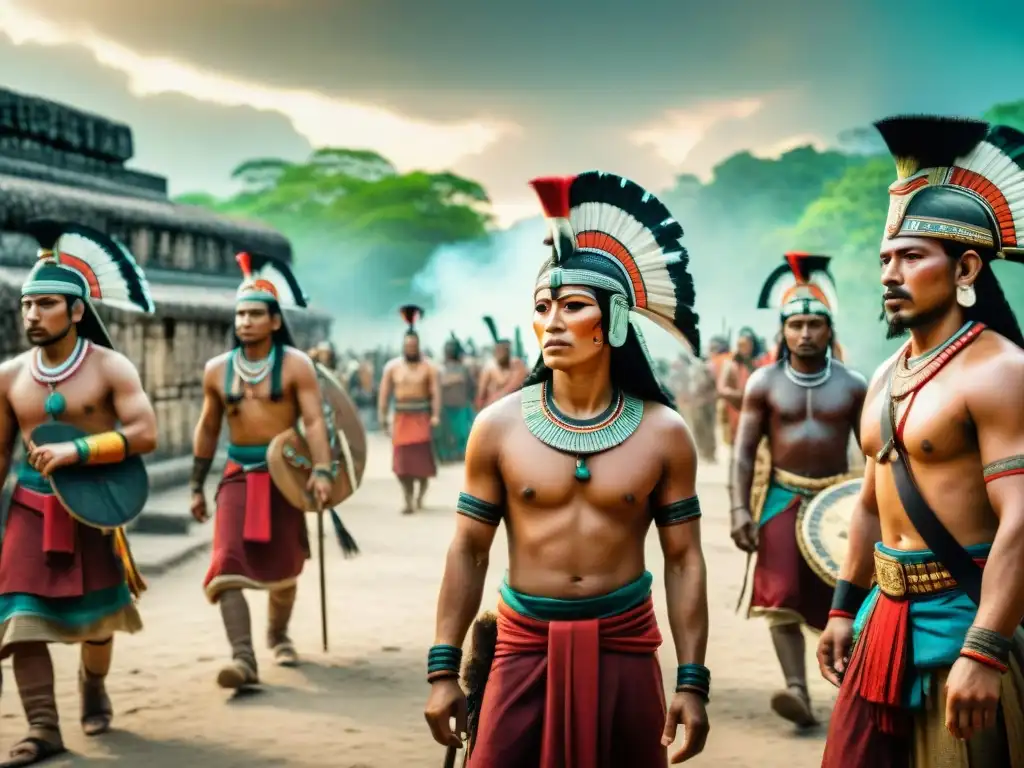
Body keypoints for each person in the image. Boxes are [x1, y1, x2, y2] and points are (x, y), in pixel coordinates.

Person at [424, 171, 711, 767]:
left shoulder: (664, 433)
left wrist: (691, 681)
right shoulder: (497, 427)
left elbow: (684, 557)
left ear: (613, 321)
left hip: (625, 645)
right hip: (522, 646)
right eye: (542, 307)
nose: (552, 320)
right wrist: (442, 668)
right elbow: (469, 548)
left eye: (573, 306)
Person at [817, 115, 1024, 766]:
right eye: (885, 258)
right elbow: (872, 504)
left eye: (911, 257)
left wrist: (984, 649)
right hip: (882, 624)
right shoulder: (885, 375)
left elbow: (1022, 518)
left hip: (963, 629)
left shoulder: (1001, 372)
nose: (890, 273)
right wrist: (841, 609)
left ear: (965, 266)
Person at [0, 222, 157, 765]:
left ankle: (93, 684)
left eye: (45, 304)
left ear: (76, 310)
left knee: (96, 622)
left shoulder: (111, 367)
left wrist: (80, 451)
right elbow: (0, 454)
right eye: (26, 306)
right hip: (28, 506)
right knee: (19, 620)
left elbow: (146, 433)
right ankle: (43, 726)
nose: (31, 316)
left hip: (92, 507)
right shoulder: (9, 375)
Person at [731, 252, 867, 727]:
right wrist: (738, 511)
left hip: (838, 502)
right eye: (796, 325)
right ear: (782, 331)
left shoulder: (853, 385)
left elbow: (873, 453)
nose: (805, 333)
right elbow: (744, 452)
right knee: (781, 593)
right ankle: (796, 690)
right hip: (781, 498)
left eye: (814, 324)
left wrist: (882, 511)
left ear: (830, 330)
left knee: (846, 597)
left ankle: (853, 692)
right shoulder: (763, 383)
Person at [190, 251, 334, 689]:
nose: (246, 321)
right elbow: (209, 427)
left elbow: (313, 420)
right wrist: (197, 485)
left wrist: (323, 470)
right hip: (236, 475)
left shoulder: (296, 365)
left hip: (285, 476)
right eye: (241, 314)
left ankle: (278, 634)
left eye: (255, 313)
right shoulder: (217, 371)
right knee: (226, 564)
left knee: (285, 565)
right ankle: (243, 657)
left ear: (274, 320)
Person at [378, 306, 440, 514]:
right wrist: (382, 417)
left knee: (422, 466)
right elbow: (384, 394)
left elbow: (435, 393)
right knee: (402, 465)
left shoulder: (429, 367)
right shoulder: (392, 367)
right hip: (401, 419)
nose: (411, 349)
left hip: (421, 418)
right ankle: (407, 497)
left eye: (414, 345)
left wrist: (436, 415)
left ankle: (419, 495)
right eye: (408, 346)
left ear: (419, 346)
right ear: (403, 346)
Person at [435, 333, 475, 463]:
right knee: (445, 433)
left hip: (461, 406)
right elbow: (437, 384)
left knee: (461, 433)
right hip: (445, 406)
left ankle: (460, 454)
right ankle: (445, 455)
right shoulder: (439, 368)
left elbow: (471, 386)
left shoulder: (464, 368)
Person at [474, 317, 526, 409]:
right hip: (493, 408)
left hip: (510, 407)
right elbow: (481, 393)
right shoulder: (489, 368)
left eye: (503, 350)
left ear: (508, 351)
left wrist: (497, 398)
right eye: (498, 350)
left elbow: (515, 385)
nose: (500, 353)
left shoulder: (517, 364)